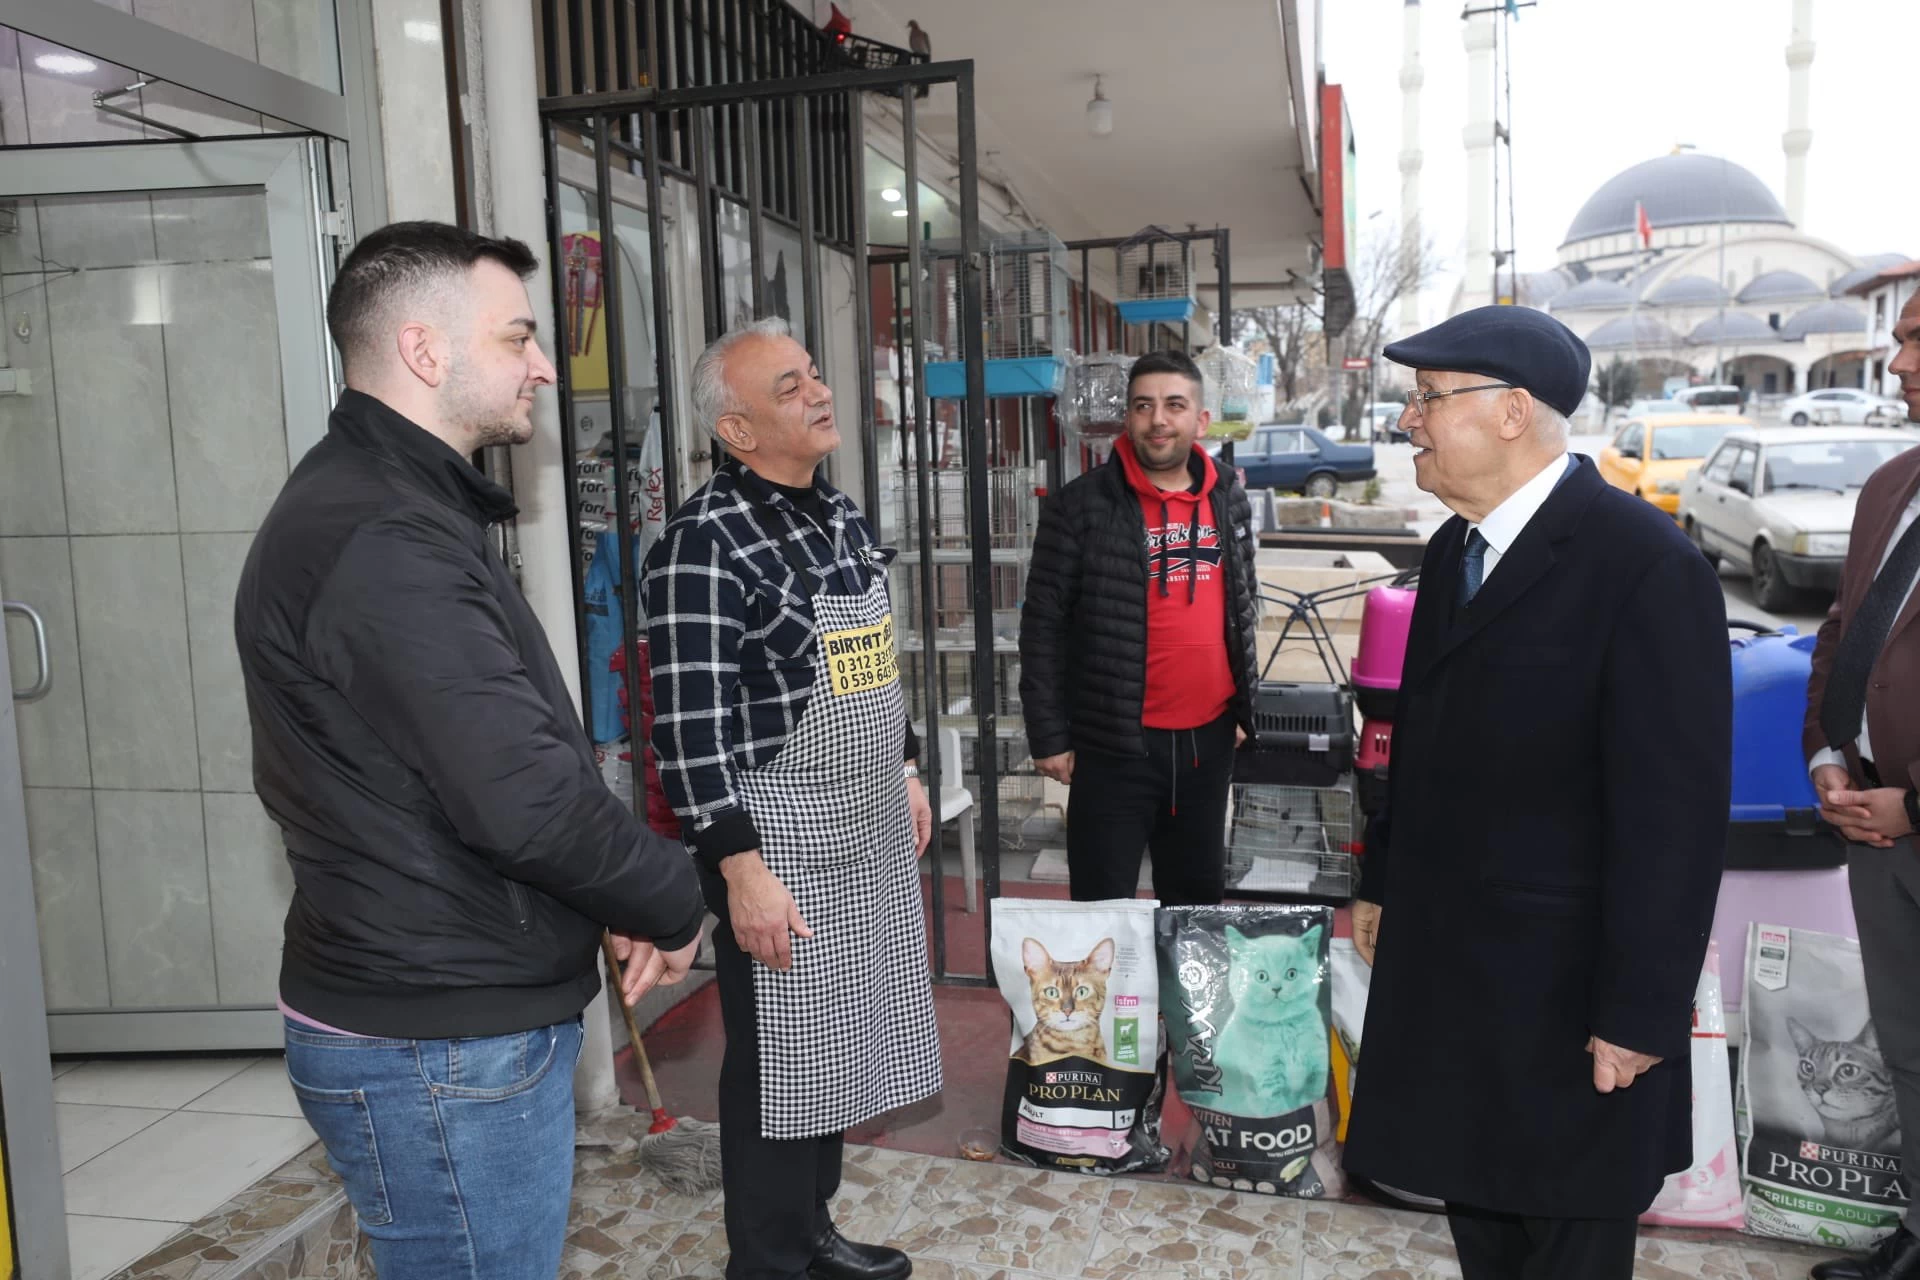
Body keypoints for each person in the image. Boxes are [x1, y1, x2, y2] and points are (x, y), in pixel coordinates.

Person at [235, 221, 706, 1279]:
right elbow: (523, 797)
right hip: (436, 1041)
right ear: (424, 350)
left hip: (436, 1014)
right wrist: (668, 889)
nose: (544, 362)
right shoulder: (382, 536)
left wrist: (616, 892)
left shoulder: (396, 505)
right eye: (518, 337)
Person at [1342, 305, 1731, 1280]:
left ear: (1513, 411)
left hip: (1570, 1002)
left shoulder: (1644, 565)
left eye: (1430, 400)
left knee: (1567, 1241)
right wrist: (1381, 876)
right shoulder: (1451, 552)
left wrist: (1642, 1012)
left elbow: (1673, 816)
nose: (1409, 423)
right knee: (1484, 1220)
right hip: (1458, 984)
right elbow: (1415, 743)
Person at [643, 318, 939, 1280]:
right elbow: (688, 731)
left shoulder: (839, 515)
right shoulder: (700, 542)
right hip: (777, 842)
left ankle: (812, 1230)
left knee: (839, 1036)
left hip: (861, 821)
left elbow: (870, 665)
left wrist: (903, 767)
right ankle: (767, 1258)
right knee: (777, 1060)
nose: (818, 393)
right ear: (734, 430)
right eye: (787, 387)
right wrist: (739, 869)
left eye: (813, 375)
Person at [1019, 349, 1260, 904]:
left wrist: (1243, 705)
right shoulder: (1078, 507)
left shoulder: (1228, 497)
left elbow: (1241, 606)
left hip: (1208, 745)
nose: (1158, 419)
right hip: (1113, 747)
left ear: (1200, 420)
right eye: (1144, 405)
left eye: (1175, 405)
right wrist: (1049, 735)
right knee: (1101, 912)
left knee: (1196, 915)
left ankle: (1183, 996)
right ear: (1127, 416)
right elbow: (1043, 627)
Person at [1803, 288, 1920, 1280]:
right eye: (1899, 339)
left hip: (1908, 814)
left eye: (1918, 339)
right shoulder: (1891, 484)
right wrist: (1827, 755)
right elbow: (1844, 632)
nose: (1897, 362)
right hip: (1874, 826)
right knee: (1910, 1050)